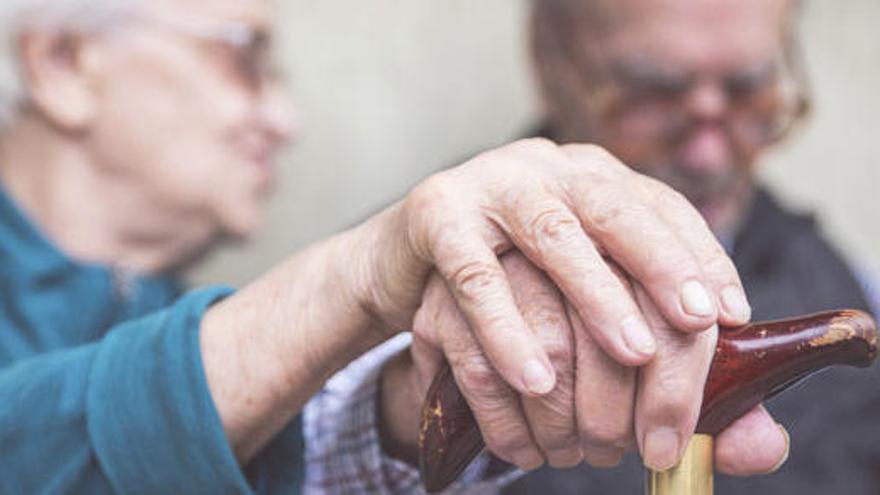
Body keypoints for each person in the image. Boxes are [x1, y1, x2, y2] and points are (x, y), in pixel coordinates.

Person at [0, 0, 789, 493]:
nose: (285, 118)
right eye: (244, 58)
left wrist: (432, 398)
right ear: (63, 63)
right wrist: (353, 277)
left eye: (751, 91)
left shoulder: (175, 321)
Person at [490, 0, 880, 493]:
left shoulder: (852, 290)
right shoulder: (428, 306)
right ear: (552, 69)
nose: (707, 156)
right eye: (655, 94)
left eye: (747, 90)